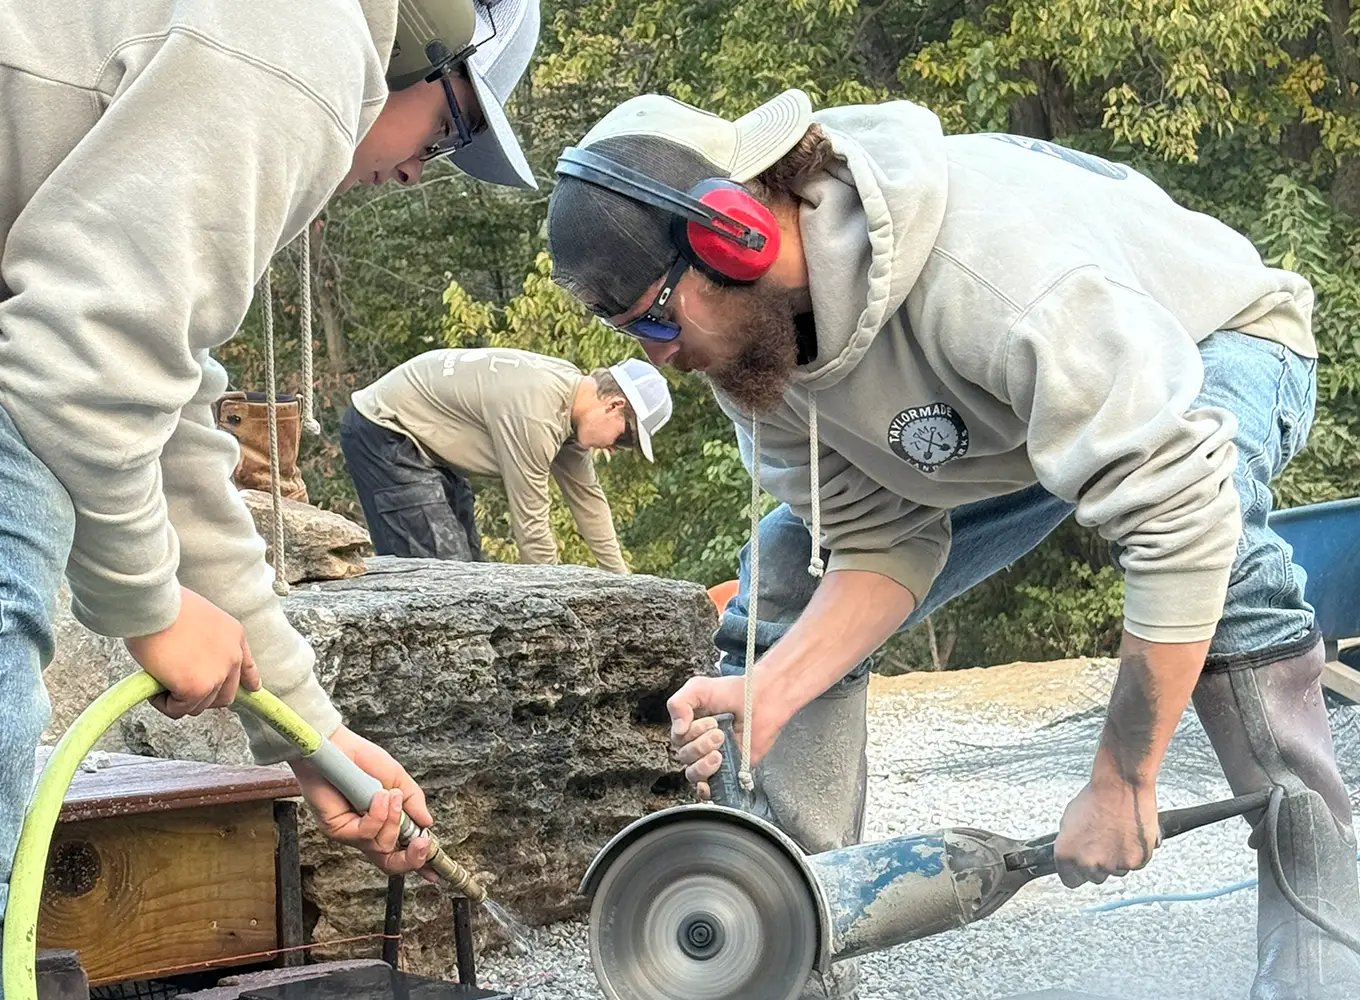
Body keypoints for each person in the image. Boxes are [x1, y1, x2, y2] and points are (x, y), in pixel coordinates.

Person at [544, 89, 1360, 998]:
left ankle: (1323, 959)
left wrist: (1122, 778)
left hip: (1211, 339)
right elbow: (877, 541)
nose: (657, 353)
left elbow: (1180, 516)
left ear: (735, 234)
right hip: (1020, 417)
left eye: (656, 316)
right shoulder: (756, 358)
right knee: (788, 573)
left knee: (1221, 541)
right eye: (629, 333)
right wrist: (773, 686)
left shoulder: (992, 274)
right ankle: (776, 940)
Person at [0, 0, 541, 937]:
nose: (418, 171)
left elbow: (160, 406)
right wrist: (150, 609)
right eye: (450, 130)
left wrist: (308, 732)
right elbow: (77, 372)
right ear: (426, 43)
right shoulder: (306, 41)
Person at [341, 349, 672, 570]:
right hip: (385, 430)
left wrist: (623, 583)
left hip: (427, 443)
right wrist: (554, 608)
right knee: (443, 574)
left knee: (470, 570)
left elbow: (589, 502)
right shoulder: (536, 413)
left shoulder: (570, 398)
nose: (614, 449)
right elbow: (532, 529)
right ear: (613, 405)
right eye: (624, 439)